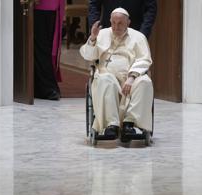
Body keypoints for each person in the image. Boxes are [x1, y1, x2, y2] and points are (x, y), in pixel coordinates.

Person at [80, 8, 154, 141]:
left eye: (120, 23)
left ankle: (129, 124)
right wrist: (92, 38)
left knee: (145, 82)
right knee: (106, 79)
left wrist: (132, 77)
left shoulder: (138, 37)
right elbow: (87, 55)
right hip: (107, 74)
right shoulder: (101, 34)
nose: (116, 26)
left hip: (131, 76)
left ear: (128, 22)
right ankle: (111, 125)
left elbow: (145, 59)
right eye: (113, 23)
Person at [33, 0, 65, 100]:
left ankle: (47, 88)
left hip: (43, 6)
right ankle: (45, 88)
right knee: (43, 48)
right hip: (45, 6)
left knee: (43, 48)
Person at [88, 0, 157, 39]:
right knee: (103, 62)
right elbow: (94, 5)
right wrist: (95, 26)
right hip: (108, 30)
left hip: (135, 32)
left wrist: (143, 33)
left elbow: (150, 9)